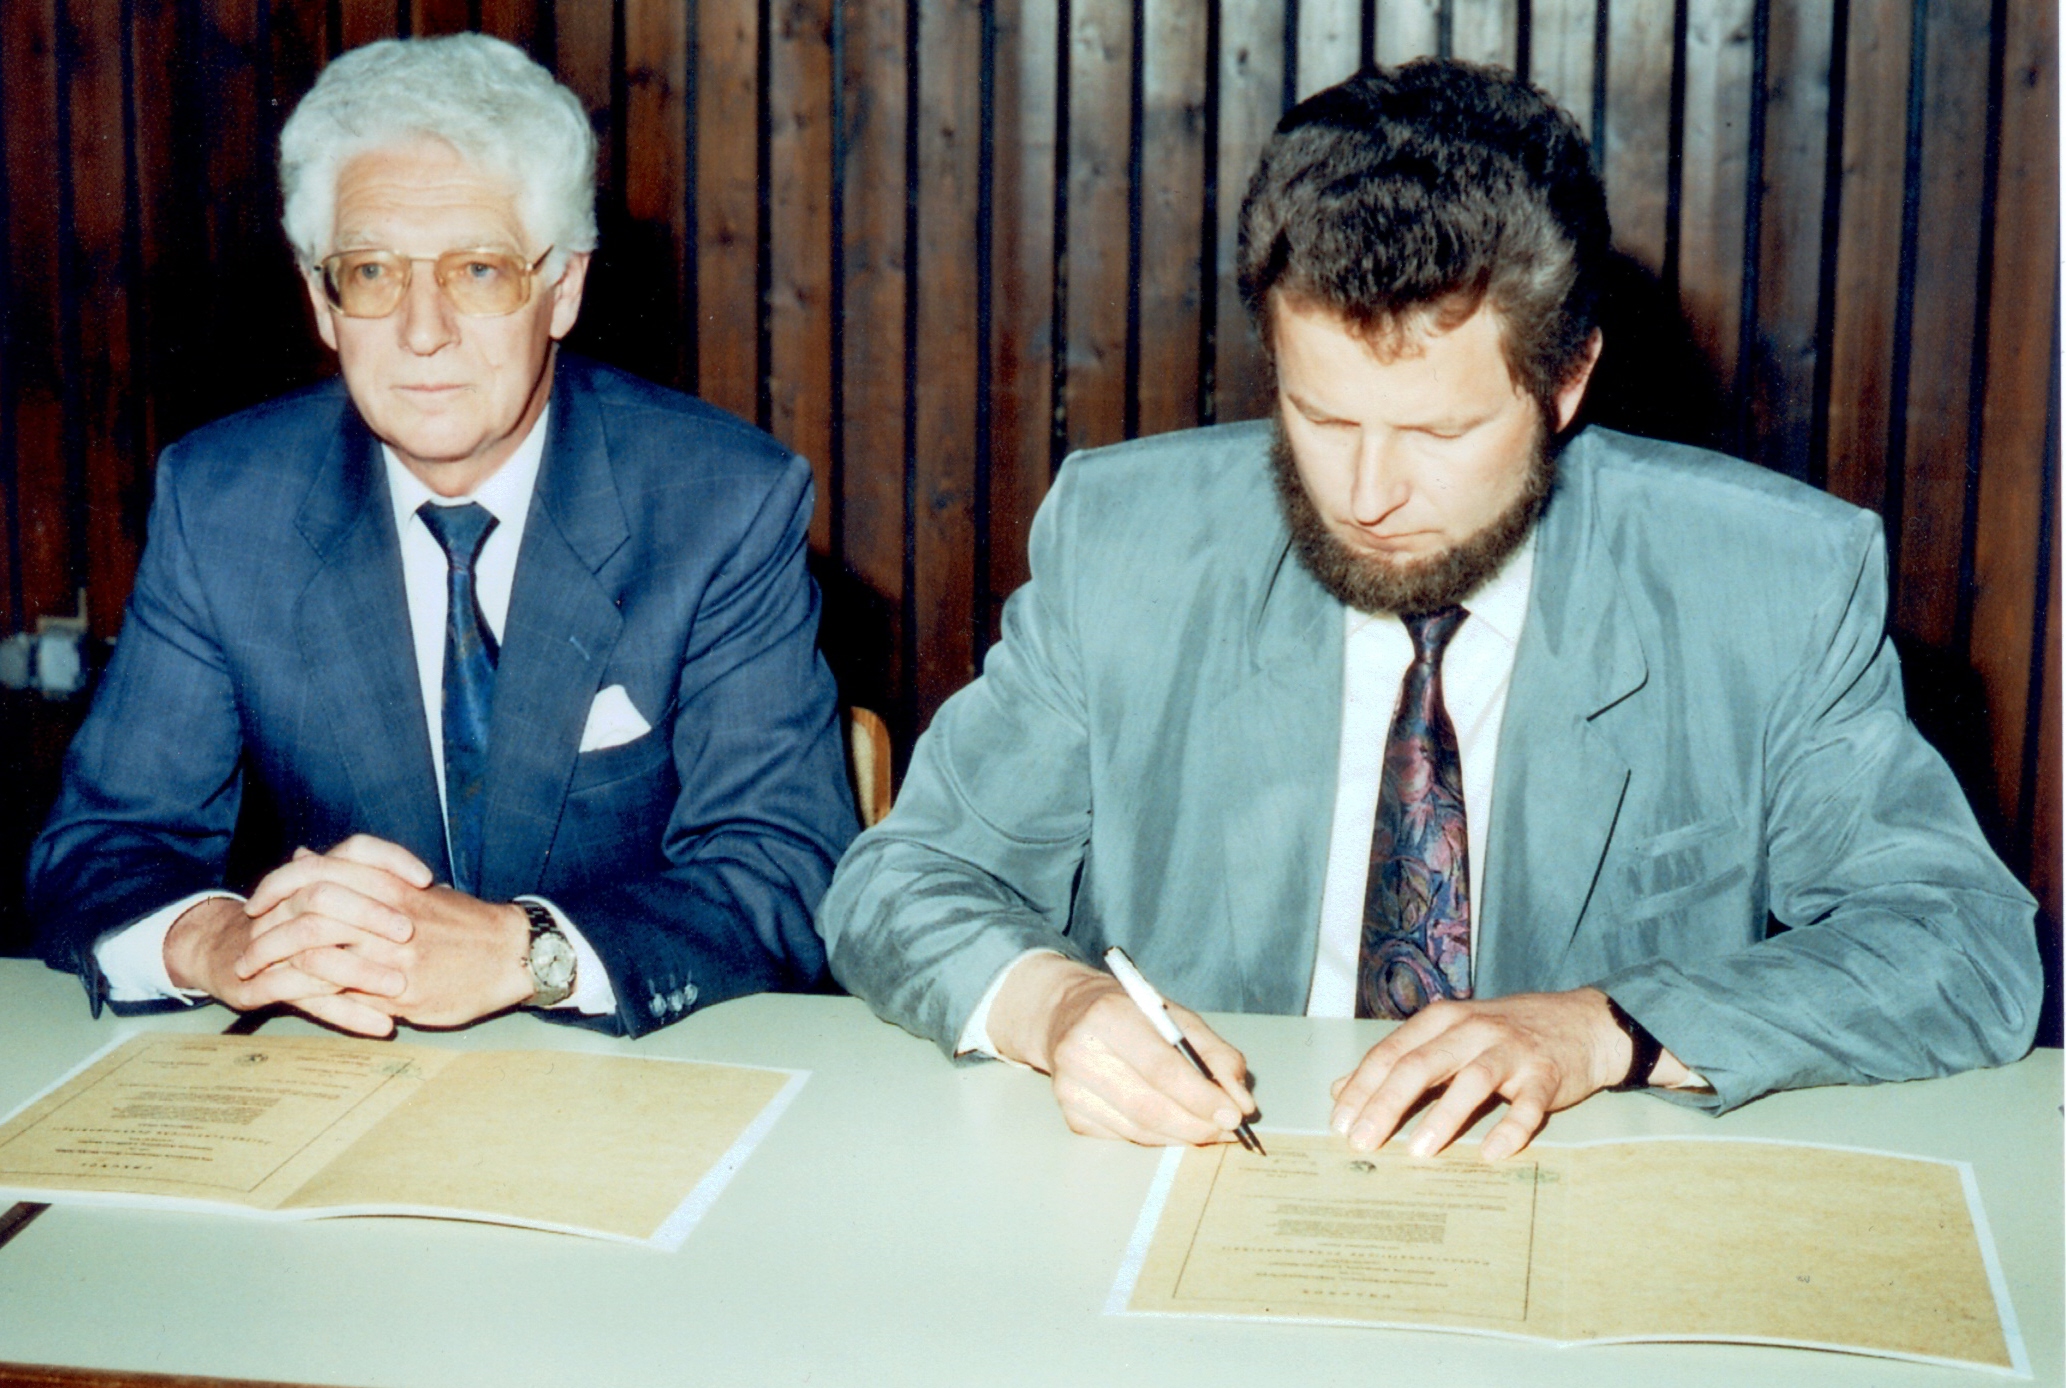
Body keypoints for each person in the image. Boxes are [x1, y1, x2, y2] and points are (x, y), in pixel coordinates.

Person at [818, 60, 2039, 1158]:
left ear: (1565, 381)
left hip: (1586, 1200)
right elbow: (904, 877)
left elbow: (1961, 944)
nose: (1364, 495)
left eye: (1439, 432)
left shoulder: (1767, 583)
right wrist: (1057, 1004)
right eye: (1320, 415)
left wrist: (1606, 1027)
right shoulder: (1124, 544)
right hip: (1193, 1184)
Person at [30, 34, 858, 1038]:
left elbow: (785, 867)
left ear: (562, 288)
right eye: (372, 271)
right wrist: (220, 939)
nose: (423, 332)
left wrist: (524, 951)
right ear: (322, 301)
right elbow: (102, 845)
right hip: (341, 1068)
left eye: (477, 270)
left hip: (645, 1068)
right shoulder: (224, 502)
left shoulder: (721, 503)